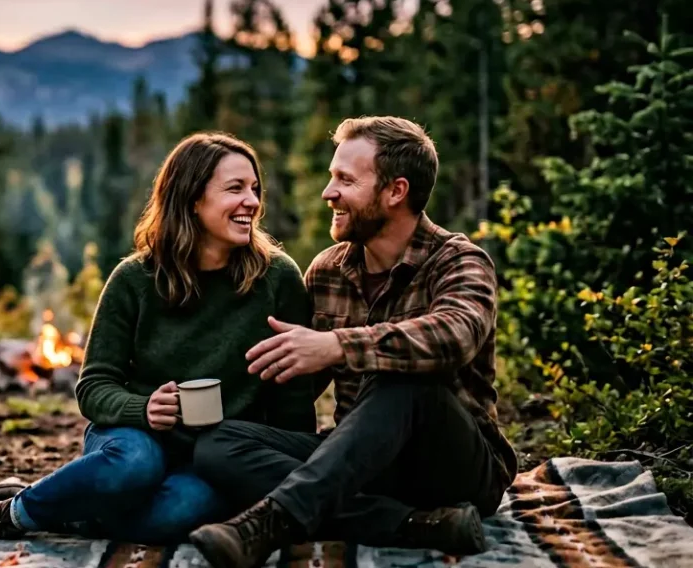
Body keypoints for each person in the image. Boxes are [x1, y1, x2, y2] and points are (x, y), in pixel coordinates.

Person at [0, 132, 318, 546]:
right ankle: (7, 515)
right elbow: (93, 387)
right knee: (133, 466)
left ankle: (59, 505)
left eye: (255, 189)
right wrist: (143, 408)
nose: (252, 202)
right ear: (191, 199)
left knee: (175, 514)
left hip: (217, 455)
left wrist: (285, 477)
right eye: (235, 189)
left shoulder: (278, 277)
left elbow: (291, 393)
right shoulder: (134, 279)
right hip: (134, 437)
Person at [186, 116, 518, 568]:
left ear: (395, 191)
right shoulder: (326, 271)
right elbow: (292, 379)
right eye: (330, 177)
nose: (329, 193)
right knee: (217, 445)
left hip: (455, 467)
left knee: (401, 381)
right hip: (362, 461)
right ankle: (415, 525)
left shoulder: (459, 261)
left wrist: (338, 345)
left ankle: (268, 522)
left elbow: (454, 336)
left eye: (345, 180)